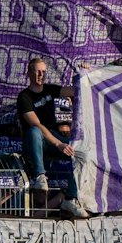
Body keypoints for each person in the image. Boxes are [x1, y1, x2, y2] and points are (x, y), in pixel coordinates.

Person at [18, 58, 88, 219]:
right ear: (29, 73)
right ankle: (39, 176)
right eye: (37, 71)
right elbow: (37, 125)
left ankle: (70, 198)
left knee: (81, 154)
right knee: (35, 130)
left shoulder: (49, 90)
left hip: (54, 141)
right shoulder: (24, 97)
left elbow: (75, 90)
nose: (40, 75)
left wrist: (83, 73)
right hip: (35, 143)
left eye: (43, 72)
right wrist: (58, 144)